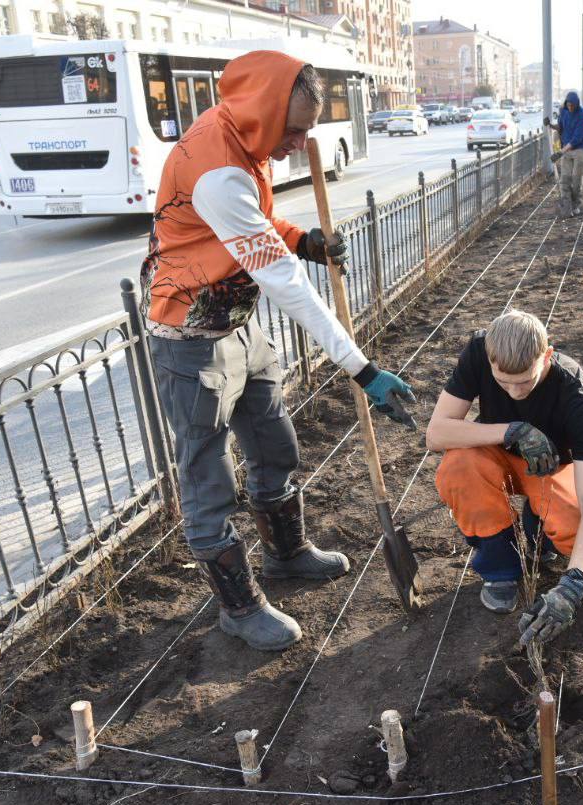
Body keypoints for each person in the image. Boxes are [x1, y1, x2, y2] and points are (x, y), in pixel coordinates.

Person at [142, 52, 416, 652]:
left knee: (274, 444)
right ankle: (238, 608)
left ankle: (286, 555)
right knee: (207, 478)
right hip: (192, 340)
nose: (300, 142)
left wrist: (306, 239)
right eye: (293, 129)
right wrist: (361, 368)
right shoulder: (216, 167)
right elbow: (282, 280)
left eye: (307, 129)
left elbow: (260, 224)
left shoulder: (245, 143)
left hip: (237, 326)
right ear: (263, 111)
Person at [427, 310, 583, 637]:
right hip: (493, 454)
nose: (515, 392)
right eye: (503, 383)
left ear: (546, 356)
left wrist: (573, 585)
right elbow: (436, 434)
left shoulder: (575, 393)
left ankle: (538, 531)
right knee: (459, 467)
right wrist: (513, 432)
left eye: (525, 382)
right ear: (488, 357)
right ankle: (500, 567)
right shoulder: (478, 351)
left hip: (550, 468)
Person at [553, 91, 583, 216]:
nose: (570, 108)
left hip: (579, 148)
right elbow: (561, 127)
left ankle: (576, 204)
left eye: (572, 105)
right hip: (566, 149)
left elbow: (577, 139)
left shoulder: (582, 115)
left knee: (576, 178)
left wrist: (560, 152)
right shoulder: (563, 111)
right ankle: (567, 207)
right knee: (565, 178)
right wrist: (552, 126)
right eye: (569, 105)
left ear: (577, 104)